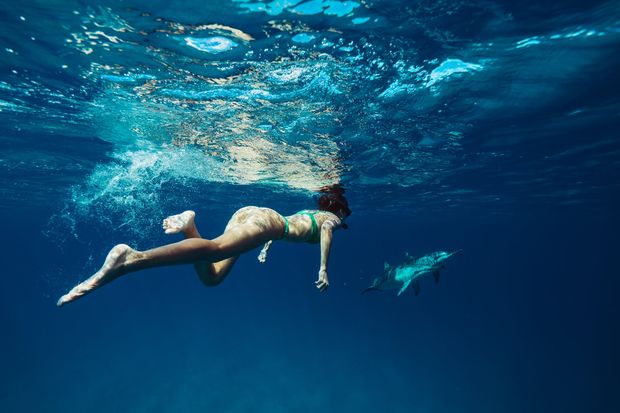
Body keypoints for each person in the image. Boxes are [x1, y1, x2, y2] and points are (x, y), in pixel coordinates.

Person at [57, 186, 352, 307]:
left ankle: (189, 227)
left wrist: (265, 246)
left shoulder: (311, 211)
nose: (342, 218)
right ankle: (132, 258)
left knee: (213, 276)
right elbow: (325, 231)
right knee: (213, 249)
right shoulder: (332, 219)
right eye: (344, 214)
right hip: (265, 224)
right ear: (340, 209)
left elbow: (291, 226)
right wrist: (324, 268)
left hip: (256, 217)